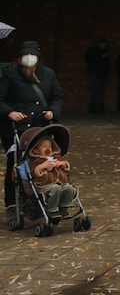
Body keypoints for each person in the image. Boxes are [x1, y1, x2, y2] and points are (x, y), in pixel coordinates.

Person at [0, 41, 64, 208]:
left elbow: (57, 97)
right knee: (15, 162)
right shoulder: (10, 75)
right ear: (20, 58)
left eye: (32, 55)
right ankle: (12, 200)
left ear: (38, 58)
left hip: (40, 127)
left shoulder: (49, 74)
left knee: (42, 160)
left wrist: (53, 111)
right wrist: (9, 113)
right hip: (16, 127)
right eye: (25, 55)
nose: (29, 58)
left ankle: (42, 194)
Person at [27, 134, 76, 219]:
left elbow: (67, 166)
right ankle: (52, 210)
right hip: (44, 185)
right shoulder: (35, 161)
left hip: (61, 183)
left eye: (50, 146)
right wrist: (42, 167)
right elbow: (33, 172)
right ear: (36, 151)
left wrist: (62, 164)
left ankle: (64, 208)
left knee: (69, 188)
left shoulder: (57, 157)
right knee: (55, 189)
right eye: (44, 146)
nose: (48, 148)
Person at [84, 38, 110, 114]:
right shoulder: (94, 51)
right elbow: (90, 60)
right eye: (101, 44)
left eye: (104, 44)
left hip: (101, 74)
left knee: (97, 90)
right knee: (97, 90)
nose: (103, 45)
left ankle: (94, 107)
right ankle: (98, 106)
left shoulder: (105, 52)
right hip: (94, 73)